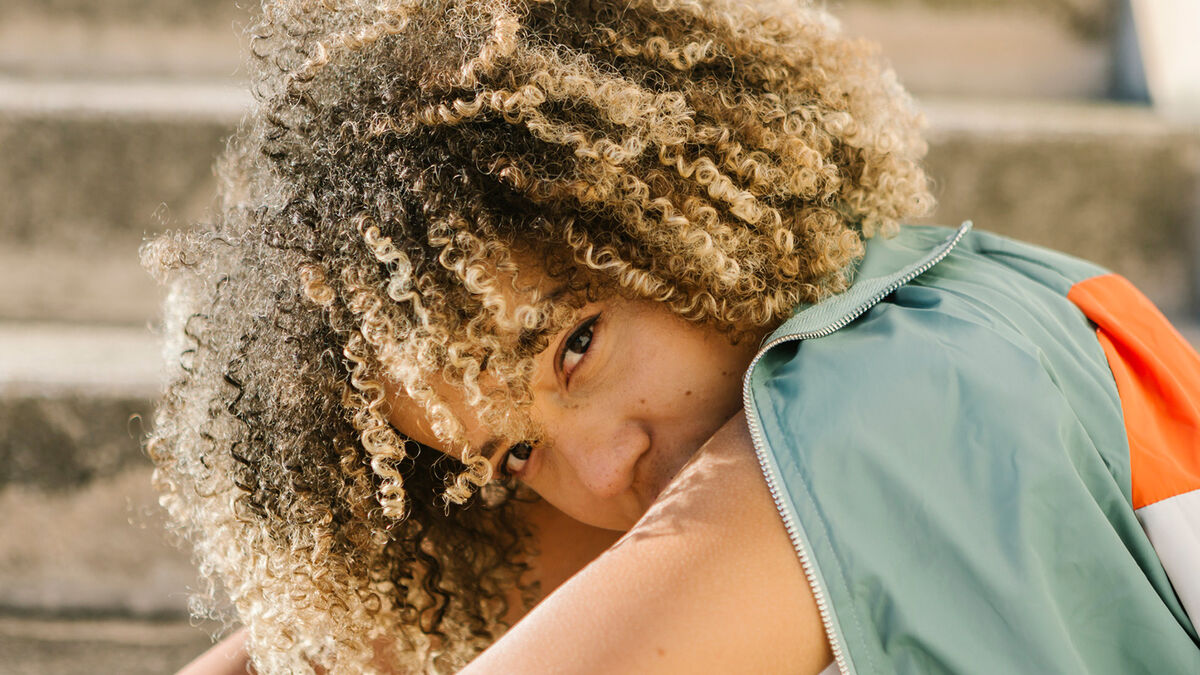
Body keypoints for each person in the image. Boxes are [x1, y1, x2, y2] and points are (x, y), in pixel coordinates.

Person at [149, 0, 1200, 673]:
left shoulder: (894, 391)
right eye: (514, 454)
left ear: (656, 217)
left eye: (573, 346)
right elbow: (309, 653)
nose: (607, 468)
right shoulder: (939, 314)